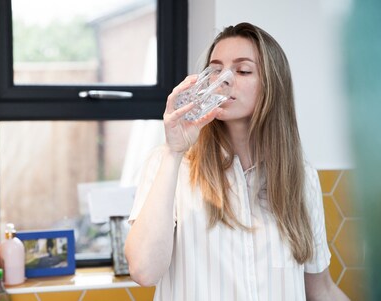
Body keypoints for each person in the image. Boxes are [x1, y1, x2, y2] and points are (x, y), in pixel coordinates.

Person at [124, 22, 350, 301]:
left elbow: (321, 290)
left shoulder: (301, 178)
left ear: (272, 86)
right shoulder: (171, 163)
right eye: (216, 70)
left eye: (243, 70)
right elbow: (143, 271)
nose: (225, 79)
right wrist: (174, 152)